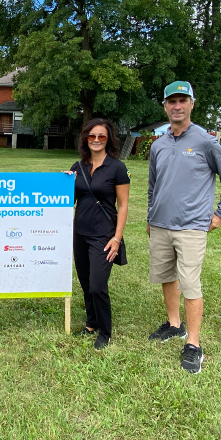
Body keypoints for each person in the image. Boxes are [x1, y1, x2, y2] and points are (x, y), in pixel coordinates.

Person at [146, 81, 221, 374]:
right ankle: (175, 325)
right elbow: (153, 185)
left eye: (182, 101)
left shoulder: (205, 141)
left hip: (191, 227)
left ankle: (194, 344)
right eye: (171, 101)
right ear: (164, 106)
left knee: (190, 283)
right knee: (166, 276)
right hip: (160, 225)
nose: (177, 106)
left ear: (191, 104)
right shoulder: (158, 144)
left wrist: (220, 213)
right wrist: (150, 215)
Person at [65, 118, 130, 350]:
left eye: (101, 136)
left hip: (104, 235)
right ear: (85, 138)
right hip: (80, 232)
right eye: (92, 136)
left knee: (97, 285)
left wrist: (117, 237)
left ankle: (105, 331)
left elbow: (122, 206)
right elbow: (68, 200)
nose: (96, 140)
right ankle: (91, 323)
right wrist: (62, 183)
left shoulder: (117, 168)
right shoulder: (77, 166)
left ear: (108, 139)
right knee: (85, 281)